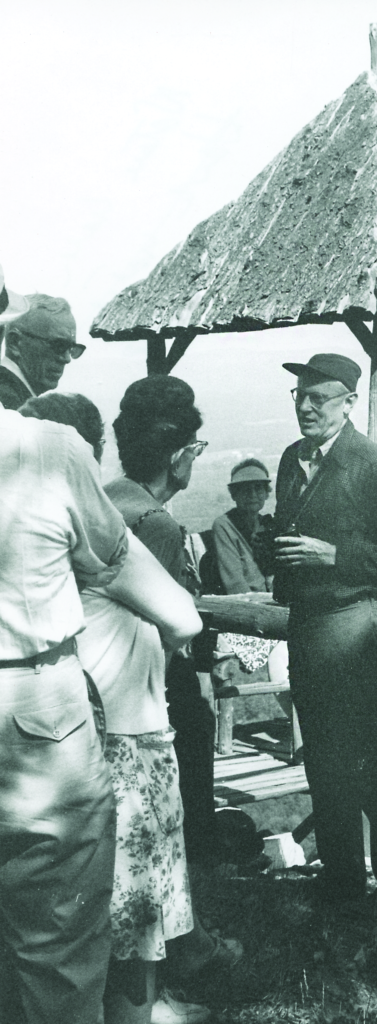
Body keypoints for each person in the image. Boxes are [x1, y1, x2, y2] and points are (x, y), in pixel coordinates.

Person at [19, 391, 208, 1024]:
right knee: (134, 884)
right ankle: (137, 1009)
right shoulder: (129, 525)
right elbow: (181, 617)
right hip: (120, 724)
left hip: (75, 723)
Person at [0, 269, 128, 1024]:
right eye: (56, 347)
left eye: (73, 350)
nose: (64, 360)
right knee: (60, 938)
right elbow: (107, 553)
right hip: (33, 696)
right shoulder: (45, 436)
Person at [109, 376, 242, 1024]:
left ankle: (148, 984)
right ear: (180, 455)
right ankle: (146, 998)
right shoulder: (154, 525)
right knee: (148, 856)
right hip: (136, 708)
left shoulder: (103, 501)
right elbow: (170, 629)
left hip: (85, 710)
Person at [274, 352, 377, 903]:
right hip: (310, 629)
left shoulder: (372, 465)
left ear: (349, 402)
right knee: (323, 759)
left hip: (355, 627)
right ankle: (342, 888)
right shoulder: (292, 459)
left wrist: (334, 555)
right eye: (301, 396)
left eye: (320, 397)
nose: (308, 407)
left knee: (369, 757)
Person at [209, 460, 289, 693]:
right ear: (234, 494)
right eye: (245, 489)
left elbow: (278, 576)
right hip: (245, 614)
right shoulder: (224, 526)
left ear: (266, 493)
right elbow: (235, 585)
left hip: (272, 609)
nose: (253, 494)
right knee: (284, 655)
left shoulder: (268, 525)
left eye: (258, 488)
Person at [0, 292, 84, 409]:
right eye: (58, 345)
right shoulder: (8, 400)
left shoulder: (15, 396)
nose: (66, 359)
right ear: (14, 342)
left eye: (71, 349)